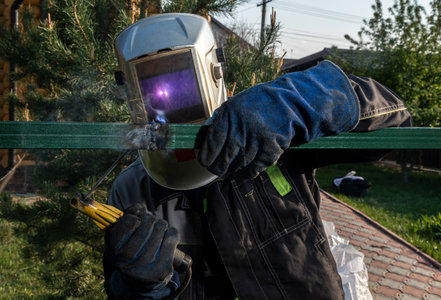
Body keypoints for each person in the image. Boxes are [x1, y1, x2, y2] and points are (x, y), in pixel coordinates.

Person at [104, 14, 412, 300]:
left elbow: (398, 123)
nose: (168, 103)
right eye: (152, 91)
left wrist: (305, 97)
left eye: (180, 84)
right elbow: (117, 290)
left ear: (212, 70)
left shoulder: (275, 134)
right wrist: (140, 288)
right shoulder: (132, 191)